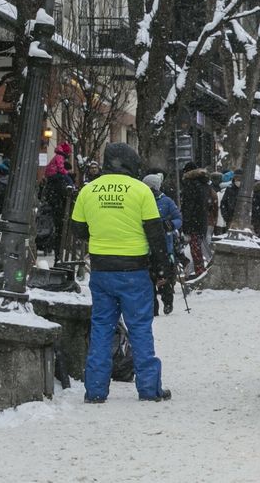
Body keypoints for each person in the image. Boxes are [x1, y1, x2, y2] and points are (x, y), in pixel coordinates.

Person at [70, 142, 172, 403]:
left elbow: (78, 230)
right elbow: (155, 233)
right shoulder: (141, 191)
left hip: (102, 270)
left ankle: (95, 390)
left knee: (102, 328)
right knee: (140, 328)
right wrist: (162, 269)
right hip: (134, 271)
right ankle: (149, 389)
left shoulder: (88, 190)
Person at [143, 173, 182, 316]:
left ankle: (168, 300)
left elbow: (179, 219)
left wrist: (170, 225)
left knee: (164, 276)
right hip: (145, 246)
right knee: (148, 279)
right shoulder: (140, 200)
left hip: (164, 246)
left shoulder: (166, 201)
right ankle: (153, 305)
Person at [180, 162, 212, 277]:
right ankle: (200, 270)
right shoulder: (204, 183)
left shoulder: (190, 184)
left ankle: (200, 272)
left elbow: (188, 206)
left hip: (193, 221)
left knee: (195, 248)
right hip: (201, 220)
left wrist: (186, 225)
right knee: (198, 247)